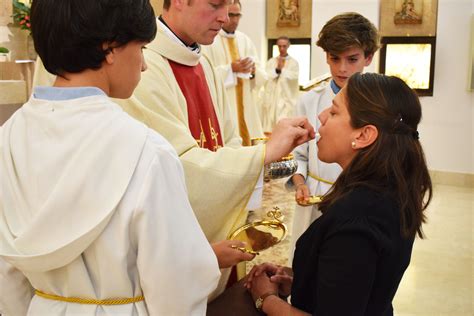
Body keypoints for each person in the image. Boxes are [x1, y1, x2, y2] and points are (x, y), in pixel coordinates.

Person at [0, 0, 225, 314]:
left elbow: (7, 274)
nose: (144, 66)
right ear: (110, 48)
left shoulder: (8, 138)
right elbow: (176, 286)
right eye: (142, 49)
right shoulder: (145, 149)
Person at [245, 72, 433, 315]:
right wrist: (302, 280)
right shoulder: (387, 189)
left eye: (333, 112)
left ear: (364, 135)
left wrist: (267, 298)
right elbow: (359, 286)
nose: (321, 117)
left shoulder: (357, 219)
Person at [286, 12, 379, 263]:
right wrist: (300, 182)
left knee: (345, 266)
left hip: (359, 204)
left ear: (368, 57)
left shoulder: (381, 105)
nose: (342, 68)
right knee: (307, 261)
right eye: (334, 58)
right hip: (314, 199)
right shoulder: (309, 101)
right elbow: (298, 153)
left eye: (352, 59)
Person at [202, 1, 266, 145]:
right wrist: (231, 69)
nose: (235, 20)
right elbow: (205, 75)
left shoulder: (245, 40)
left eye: (238, 15)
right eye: (231, 15)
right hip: (226, 105)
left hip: (247, 105)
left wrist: (253, 71)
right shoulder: (210, 40)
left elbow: (262, 76)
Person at [260, 36, 299, 134]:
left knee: (283, 121)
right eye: (279, 46)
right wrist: (276, 71)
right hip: (273, 98)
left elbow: (294, 77)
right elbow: (266, 76)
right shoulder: (271, 61)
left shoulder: (293, 62)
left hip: (286, 98)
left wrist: (282, 70)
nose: (282, 49)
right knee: (270, 124)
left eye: (284, 46)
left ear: (288, 46)